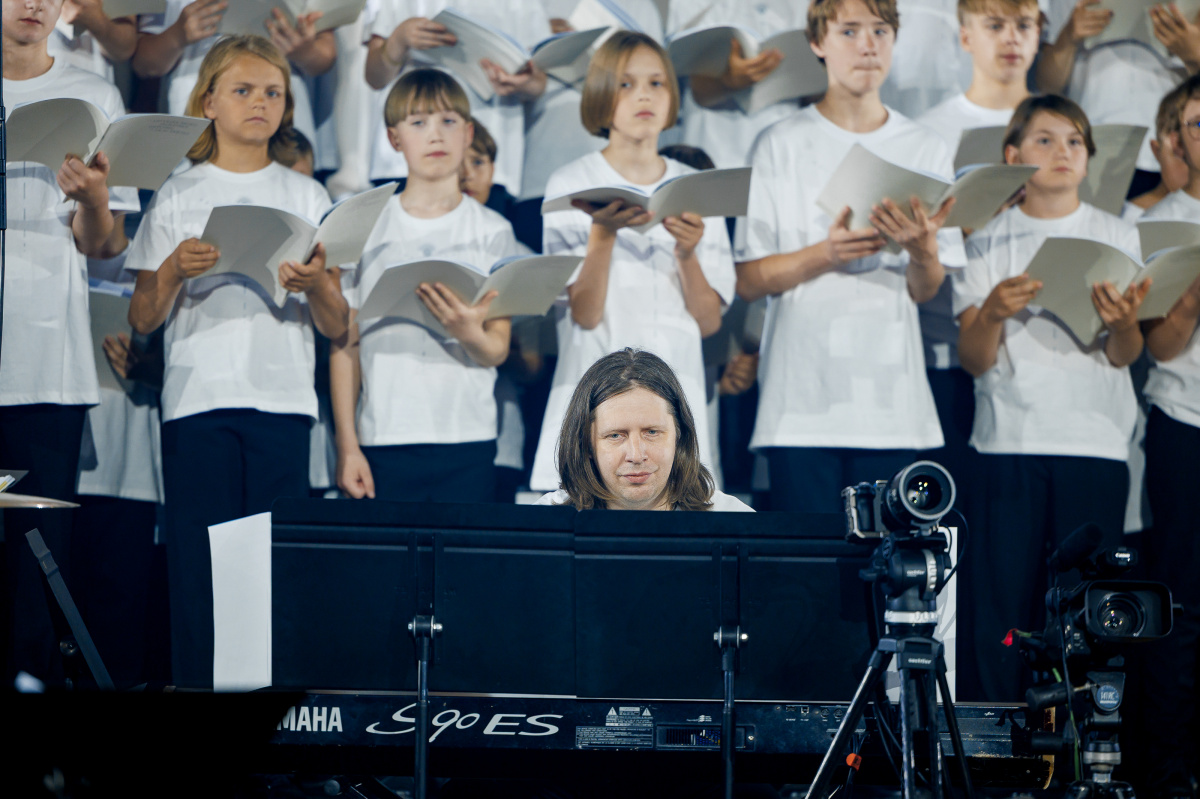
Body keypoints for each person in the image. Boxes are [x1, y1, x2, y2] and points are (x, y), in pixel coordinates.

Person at [127, 35, 345, 688]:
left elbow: (338, 325)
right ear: (209, 102)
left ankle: (276, 722)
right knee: (200, 569)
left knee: (275, 570)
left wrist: (318, 285)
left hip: (282, 400)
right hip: (198, 400)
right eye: (243, 90)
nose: (260, 102)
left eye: (273, 92)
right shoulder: (178, 193)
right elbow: (142, 319)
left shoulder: (308, 195)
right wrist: (173, 268)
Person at [953, 95, 1147, 702]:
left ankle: (1087, 740)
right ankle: (996, 739)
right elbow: (974, 358)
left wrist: (1122, 324)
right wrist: (992, 312)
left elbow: (1125, 353)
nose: (1062, 151)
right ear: (1013, 155)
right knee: (1002, 607)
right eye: (1045, 139)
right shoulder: (988, 241)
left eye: (1075, 141)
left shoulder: (1118, 234)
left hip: (1095, 440)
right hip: (1008, 439)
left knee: (1091, 611)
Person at [735, 0, 964, 514]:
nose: (868, 46)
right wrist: (826, 254)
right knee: (809, 557)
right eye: (850, 31)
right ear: (818, 42)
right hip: (800, 399)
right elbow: (748, 279)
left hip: (891, 399)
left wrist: (923, 250)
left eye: (881, 31)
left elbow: (926, 288)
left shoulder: (923, 146)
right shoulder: (780, 143)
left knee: (889, 559)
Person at [529, 30, 736, 492]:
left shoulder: (696, 185)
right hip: (594, 391)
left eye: (656, 83)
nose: (644, 95)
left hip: (676, 391)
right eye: (626, 84)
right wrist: (602, 234)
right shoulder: (571, 183)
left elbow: (708, 321)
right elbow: (584, 314)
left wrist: (687, 253)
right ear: (601, 95)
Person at [0, 0, 139, 686]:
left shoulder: (92, 92)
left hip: (46, 360)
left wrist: (91, 198)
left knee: (36, 563)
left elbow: (104, 246)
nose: (33, 5)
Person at [331, 68, 525, 505]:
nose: (435, 135)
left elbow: (496, 349)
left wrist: (468, 332)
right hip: (383, 435)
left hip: (467, 434)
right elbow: (345, 341)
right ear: (394, 138)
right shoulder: (366, 224)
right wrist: (348, 445)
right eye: (418, 122)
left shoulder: (494, 229)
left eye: (448, 121)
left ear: (468, 133)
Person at [915, 0, 1041, 491]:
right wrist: (968, 224)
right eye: (995, 25)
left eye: (1024, 25)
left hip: (1038, 355)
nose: (1012, 38)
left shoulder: (1060, 128)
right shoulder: (929, 131)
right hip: (945, 349)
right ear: (965, 36)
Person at [1134, 72, 1200, 799]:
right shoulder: (1160, 224)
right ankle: (1169, 771)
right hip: (1186, 421)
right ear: (1177, 139)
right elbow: (1162, 345)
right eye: (1197, 124)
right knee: (1181, 601)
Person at [536, 348, 753, 511]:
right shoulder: (543, 523)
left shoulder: (733, 520)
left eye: (652, 432)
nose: (636, 455)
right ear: (586, 445)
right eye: (615, 435)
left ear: (679, 436)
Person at [1038, 0, 1197, 196]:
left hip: (1167, 149)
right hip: (1093, 141)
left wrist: (1194, 53)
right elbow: (1047, 85)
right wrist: (1068, 36)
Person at [133, 0, 336, 149]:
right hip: (200, 114)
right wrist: (178, 35)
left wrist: (304, 51)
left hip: (281, 114)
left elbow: (325, 57)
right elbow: (145, 64)